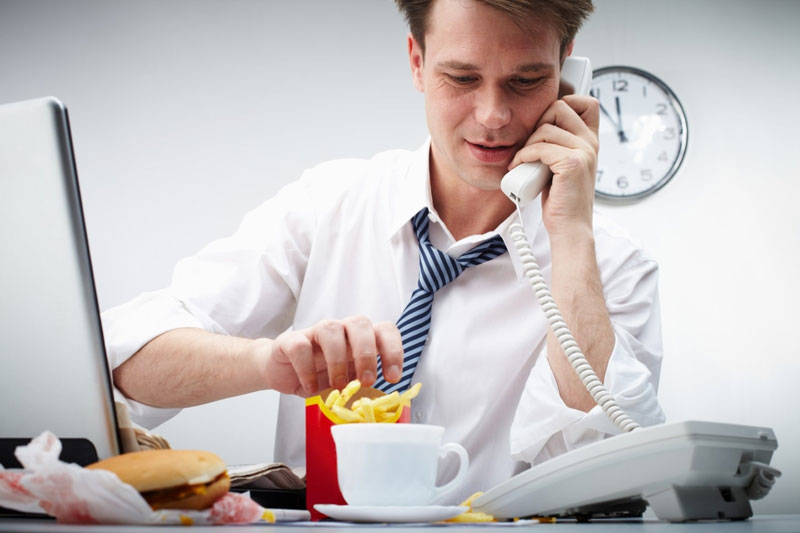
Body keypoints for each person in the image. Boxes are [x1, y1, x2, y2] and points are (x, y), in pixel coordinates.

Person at [103, 0, 665, 503]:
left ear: (566, 69)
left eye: (526, 80)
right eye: (462, 77)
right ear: (417, 61)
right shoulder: (329, 204)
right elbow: (122, 360)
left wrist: (568, 232)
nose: (493, 115)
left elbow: (612, 465)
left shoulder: (612, 265)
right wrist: (265, 364)